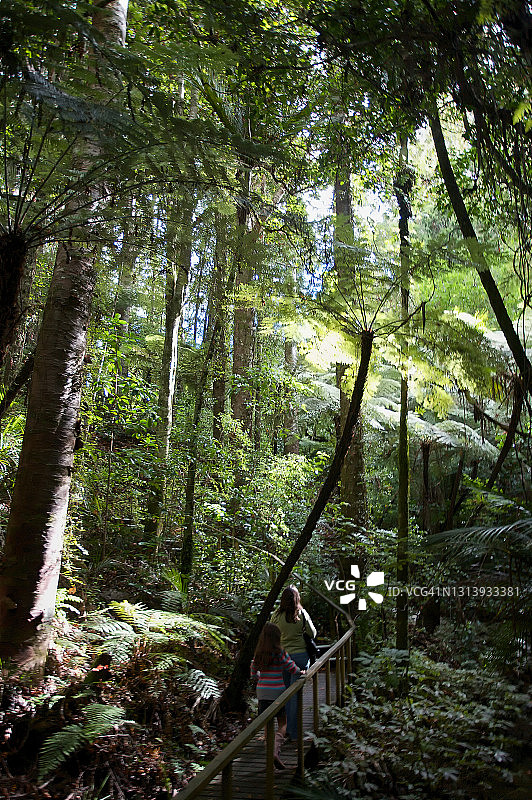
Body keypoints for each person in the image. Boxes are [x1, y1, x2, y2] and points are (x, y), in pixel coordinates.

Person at [250, 622, 305, 770]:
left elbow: (253, 672)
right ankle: (275, 749)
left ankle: (269, 750)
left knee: (267, 723)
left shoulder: (258, 653)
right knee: (282, 723)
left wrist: (260, 676)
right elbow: (291, 667)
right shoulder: (280, 652)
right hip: (277, 691)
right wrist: (300, 672)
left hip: (262, 691)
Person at [271, 586, 317, 742]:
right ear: (297, 598)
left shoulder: (276, 615)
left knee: (285, 693)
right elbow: (313, 633)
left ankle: (285, 730)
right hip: (300, 657)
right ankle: (293, 732)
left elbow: (272, 634)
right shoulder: (301, 614)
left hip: (282, 657)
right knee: (294, 694)